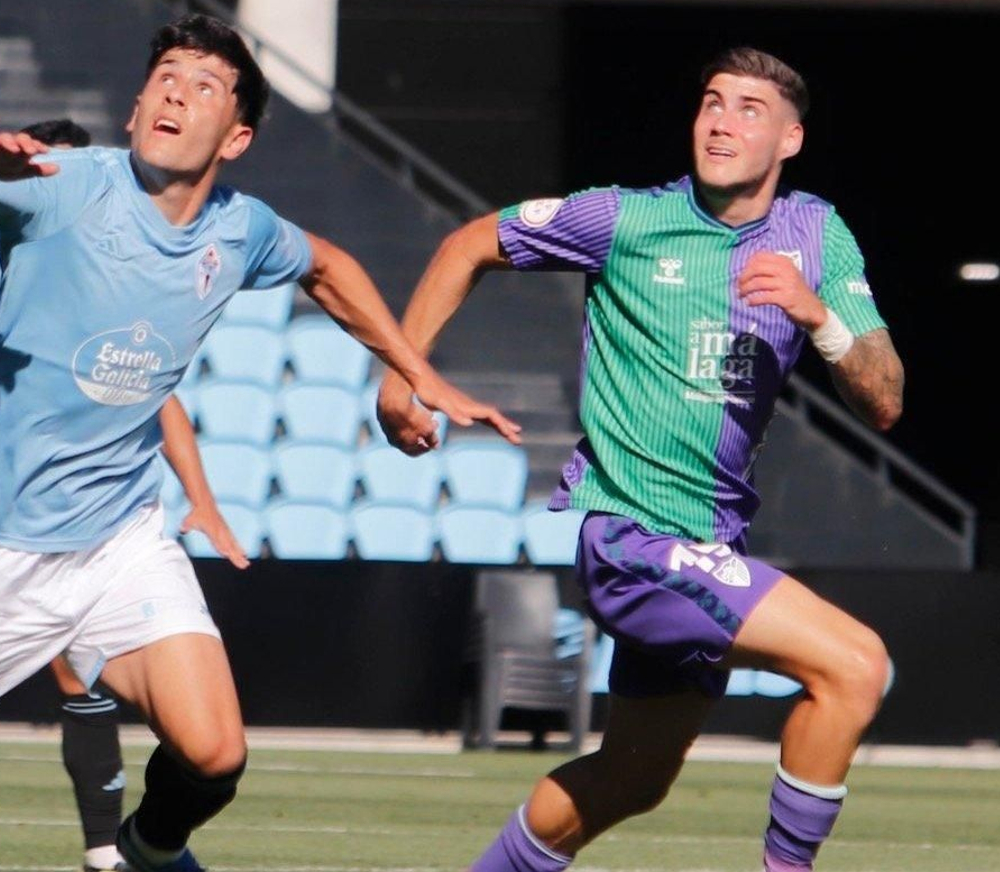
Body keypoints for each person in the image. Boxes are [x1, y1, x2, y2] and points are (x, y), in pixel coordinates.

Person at [0, 13, 517, 872]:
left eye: (206, 85)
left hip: (118, 541)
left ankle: (141, 855)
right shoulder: (64, 182)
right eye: (167, 76)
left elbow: (326, 267)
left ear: (238, 135)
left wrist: (411, 370)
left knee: (215, 752)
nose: (179, 91)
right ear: (139, 105)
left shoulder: (239, 229)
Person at [377, 47, 904, 872]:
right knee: (857, 664)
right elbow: (469, 243)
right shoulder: (624, 218)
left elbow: (883, 398)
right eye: (712, 103)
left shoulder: (816, 233)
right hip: (631, 538)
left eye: (749, 109)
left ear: (790, 139)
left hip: (706, 543)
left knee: (631, 777)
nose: (722, 121)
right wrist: (406, 374)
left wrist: (818, 318)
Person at [0, 117, 248, 872]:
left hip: (74, 519)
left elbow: (154, 394)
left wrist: (203, 498)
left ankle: (109, 851)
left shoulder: (101, 276)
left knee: (83, 678)